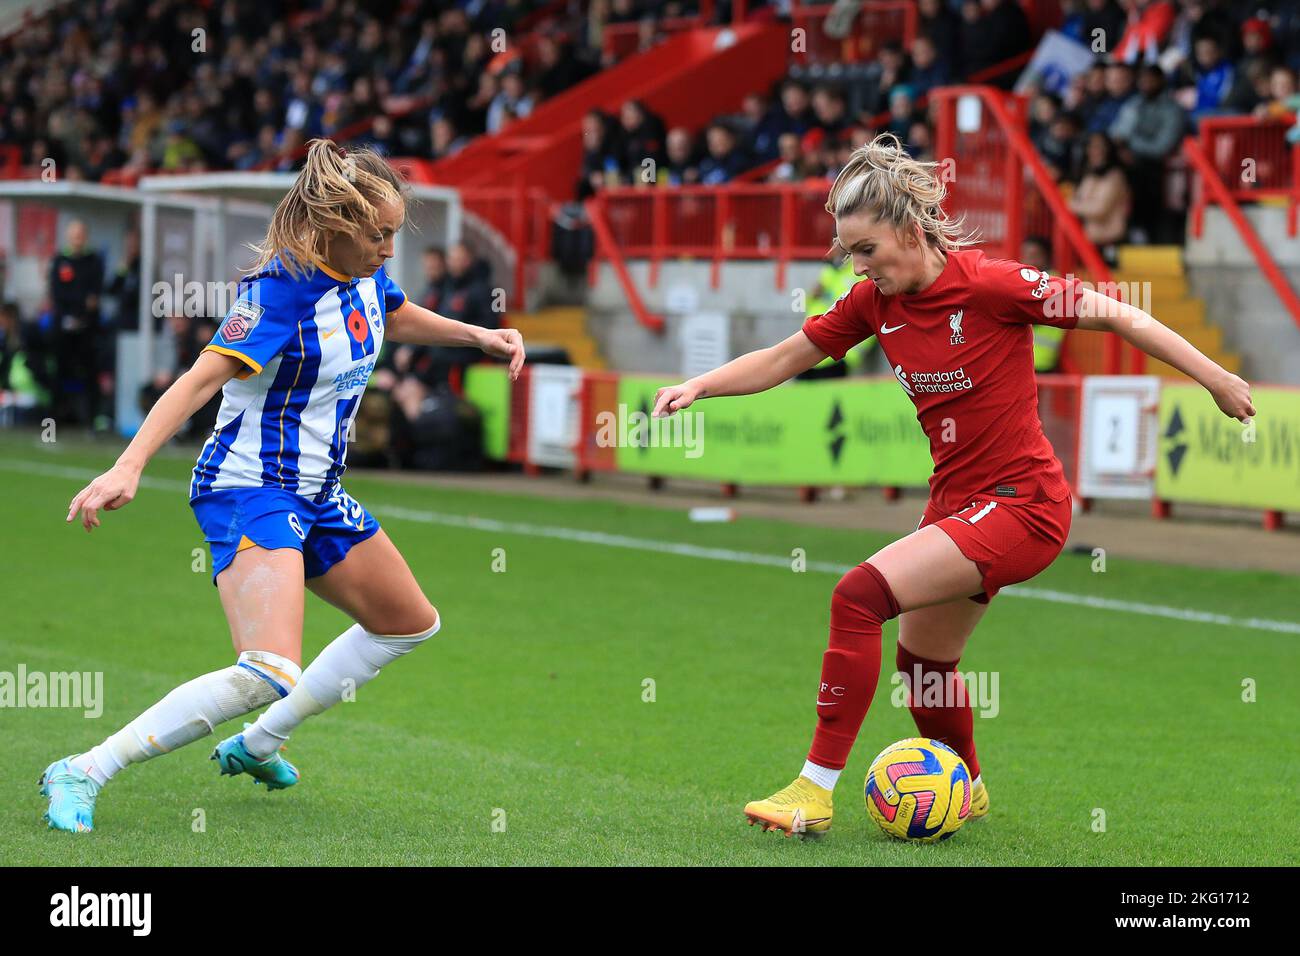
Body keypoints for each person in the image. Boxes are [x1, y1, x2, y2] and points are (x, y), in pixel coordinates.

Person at [651, 134, 1253, 838]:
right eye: (849, 253)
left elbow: (1120, 313)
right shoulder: (872, 303)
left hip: (1025, 506)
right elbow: (787, 356)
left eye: (867, 249)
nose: (859, 266)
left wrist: (1214, 377)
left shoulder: (992, 284)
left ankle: (813, 789)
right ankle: (965, 784)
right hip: (959, 506)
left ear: (909, 230)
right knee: (923, 662)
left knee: (857, 595)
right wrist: (699, 385)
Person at [43, 140, 526, 832]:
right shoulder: (278, 292)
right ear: (334, 224)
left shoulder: (362, 276)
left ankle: (260, 741)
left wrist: (477, 334)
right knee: (268, 667)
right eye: (378, 233)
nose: (391, 248)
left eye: (395, 233)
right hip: (250, 488)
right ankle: (83, 768)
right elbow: (200, 378)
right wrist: (129, 465)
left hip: (318, 491)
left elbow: (393, 309)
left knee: (408, 622)